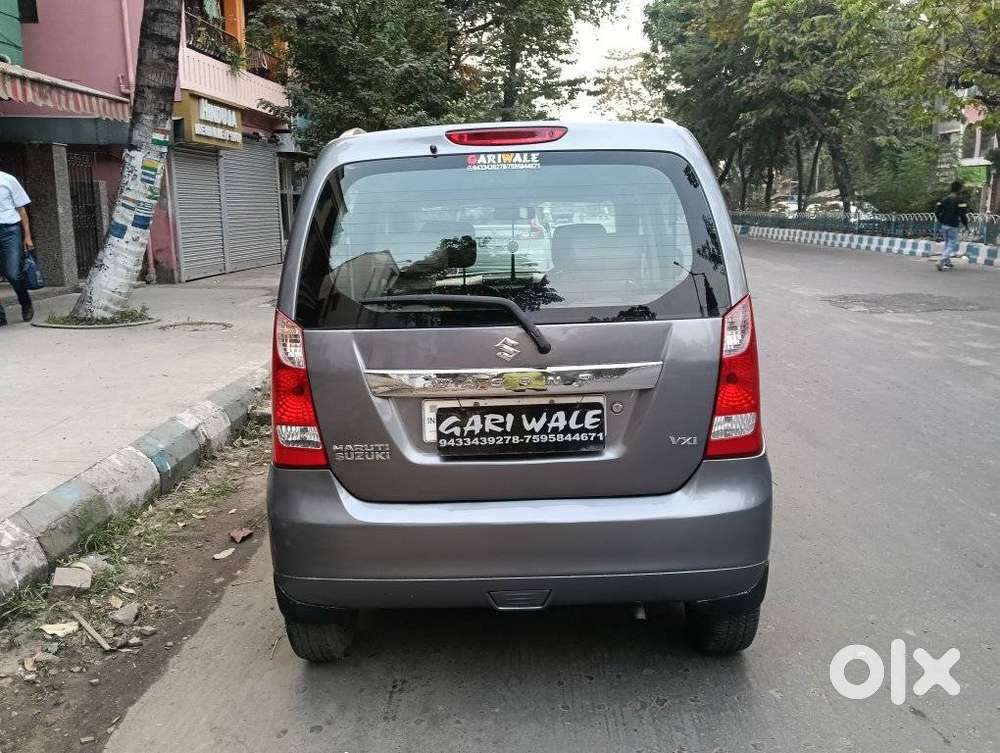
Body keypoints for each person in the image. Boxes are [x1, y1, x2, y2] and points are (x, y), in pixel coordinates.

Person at [0, 169, 35, 325]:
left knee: (13, 273)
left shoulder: (8, 180)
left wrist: (27, 237)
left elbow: (21, 209)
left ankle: (25, 301)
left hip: (9, 231)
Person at [934, 180, 970, 271]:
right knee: (951, 244)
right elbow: (962, 214)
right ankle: (941, 261)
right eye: (962, 188)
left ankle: (947, 262)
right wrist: (966, 225)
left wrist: (941, 220)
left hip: (944, 224)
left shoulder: (943, 200)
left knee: (947, 244)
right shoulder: (960, 201)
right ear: (959, 189)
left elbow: (937, 211)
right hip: (953, 225)